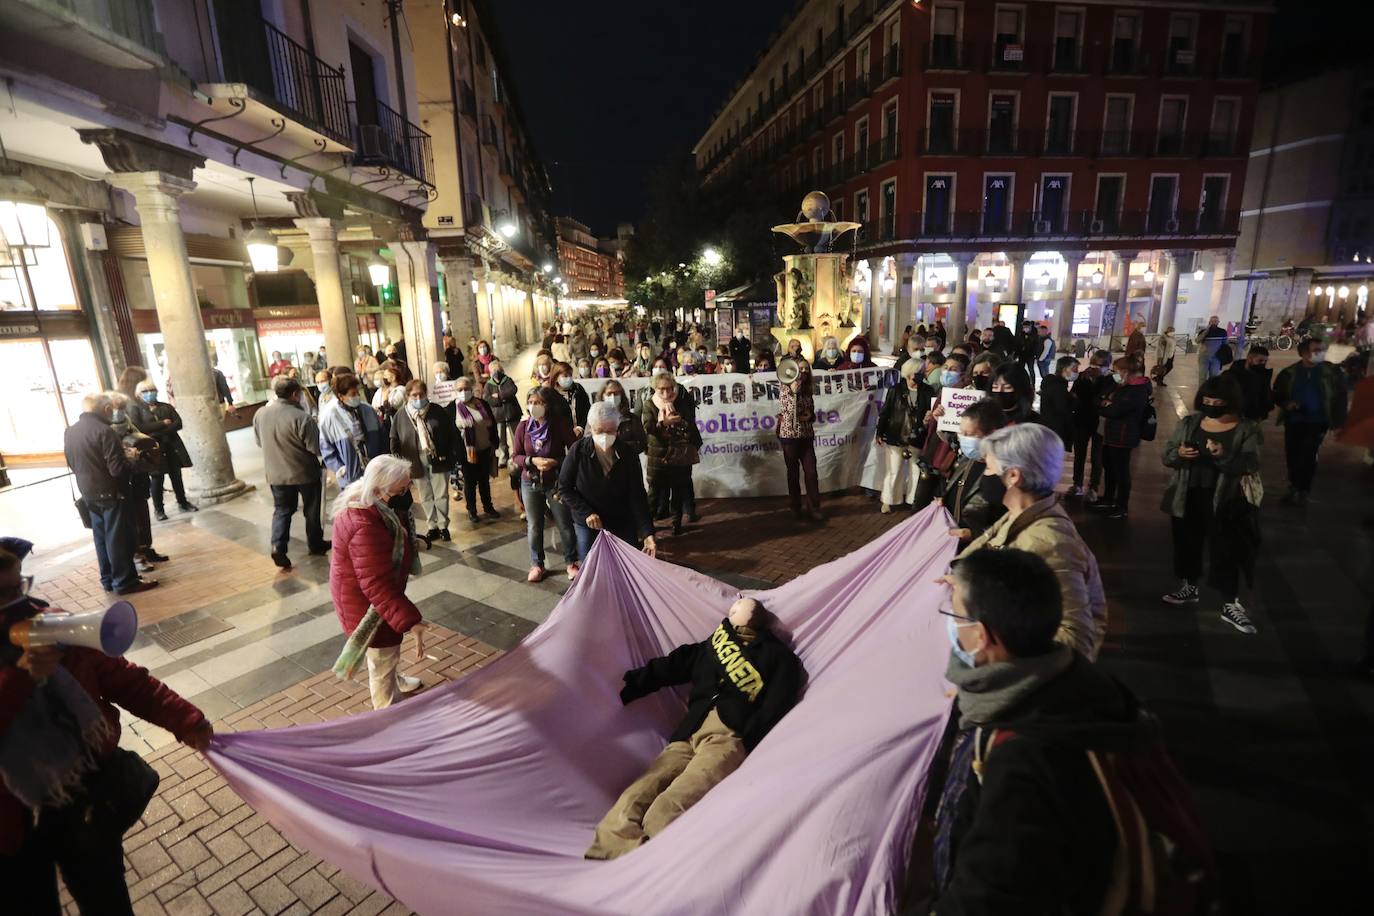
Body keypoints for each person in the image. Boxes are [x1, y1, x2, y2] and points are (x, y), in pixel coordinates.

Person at [930, 548, 1160, 916]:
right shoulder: (1078, 682)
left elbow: (989, 897)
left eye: (955, 613)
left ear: (983, 636)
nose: (951, 624)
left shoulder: (1020, 761)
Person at [0, 547, 212, 913]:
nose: (19, 602)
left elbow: (126, 680)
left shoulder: (52, 629)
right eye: (3, 596)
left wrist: (185, 719)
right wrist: (20, 678)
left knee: (107, 899)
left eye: (19, 584)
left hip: (83, 799)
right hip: (12, 823)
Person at [584, 597, 802, 860]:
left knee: (670, 806)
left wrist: (747, 739)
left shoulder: (779, 658)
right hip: (688, 731)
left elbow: (776, 706)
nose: (733, 608)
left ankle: (651, 865)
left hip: (727, 738)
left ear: (754, 616)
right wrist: (634, 683)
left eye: (738, 607)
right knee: (637, 793)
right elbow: (677, 664)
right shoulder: (714, 644)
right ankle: (621, 853)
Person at [957, 423, 1108, 659]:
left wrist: (1000, 657)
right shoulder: (1021, 513)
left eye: (988, 468)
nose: (985, 476)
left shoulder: (1049, 543)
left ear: (1013, 476)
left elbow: (1076, 639)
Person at [1160, 374, 1263, 635]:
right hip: (1188, 493)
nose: (1210, 405)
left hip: (1227, 500)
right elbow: (1168, 455)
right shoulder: (1190, 423)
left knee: (1227, 550)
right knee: (1187, 543)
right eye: (1206, 400)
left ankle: (1230, 603)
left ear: (1229, 402)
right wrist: (1179, 455)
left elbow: (1250, 464)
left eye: (1216, 401)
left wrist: (1223, 455)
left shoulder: (1247, 428)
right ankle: (1190, 586)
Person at [329, 455, 425, 710]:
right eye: (400, 490)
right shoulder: (364, 524)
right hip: (367, 608)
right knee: (382, 659)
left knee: (386, 656)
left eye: (408, 487)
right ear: (378, 489)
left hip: (367, 601)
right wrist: (410, 621)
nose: (406, 494)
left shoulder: (369, 505)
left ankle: (396, 679)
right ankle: (389, 714)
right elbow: (376, 584)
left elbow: (387, 546)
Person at [63, 393, 156, 595]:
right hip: (113, 492)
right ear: (106, 409)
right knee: (119, 537)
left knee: (102, 538)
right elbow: (117, 470)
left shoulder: (70, 431)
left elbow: (72, 463)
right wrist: (132, 458)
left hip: (88, 492)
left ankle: (108, 579)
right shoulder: (105, 431)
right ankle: (125, 581)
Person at [559, 401, 658, 561]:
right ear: (590, 428)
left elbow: (637, 494)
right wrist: (586, 512)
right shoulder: (578, 451)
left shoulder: (627, 454)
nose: (605, 436)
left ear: (617, 430)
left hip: (621, 520)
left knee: (627, 565)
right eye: (599, 431)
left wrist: (647, 532)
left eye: (610, 431)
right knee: (591, 567)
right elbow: (564, 488)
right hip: (588, 523)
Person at [253, 376, 329, 569]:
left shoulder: (260, 414)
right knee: (311, 509)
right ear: (295, 394)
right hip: (304, 472)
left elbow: (259, 442)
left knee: (282, 510)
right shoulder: (302, 417)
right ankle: (315, 542)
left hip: (275, 473)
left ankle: (278, 546)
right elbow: (315, 448)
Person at [511, 388, 580, 582]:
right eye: (531, 402)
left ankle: (571, 562)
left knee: (564, 523)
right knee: (534, 525)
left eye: (538, 403)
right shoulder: (523, 427)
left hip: (555, 481)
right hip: (530, 482)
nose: (534, 406)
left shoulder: (558, 425)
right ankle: (537, 564)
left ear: (547, 405)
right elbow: (516, 455)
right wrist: (532, 461)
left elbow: (574, 450)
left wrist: (556, 462)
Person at [1272, 337, 1347, 505]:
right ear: (1305, 354)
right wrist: (1286, 403)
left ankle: (1303, 489)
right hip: (1294, 420)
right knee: (1293, 454)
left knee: (1308, 453)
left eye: (1322, 350)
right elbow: (1277, 394)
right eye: (1316, 350)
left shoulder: (1331, 373)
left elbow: (1340, 398)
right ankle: (1293, 486)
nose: (1321, 353)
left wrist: (1338, 423)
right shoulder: (1289, 373)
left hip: (1318, 421)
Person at [391, 380, 459, 543]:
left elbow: (451, 434)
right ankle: (432, 526)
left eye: (421, 394)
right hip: (414, 460)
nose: (418, 397)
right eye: (414, 395)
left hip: (438, 458)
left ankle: (443, 526)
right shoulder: (401, 415)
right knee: (425, 495)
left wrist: (453, 455)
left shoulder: (437, 410)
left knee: (441, 493)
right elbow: (394, 440)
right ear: (408, 396)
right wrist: (399, 463)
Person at [641, 372, 702, 536]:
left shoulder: (681, 401)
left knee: (678, 491)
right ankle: (648, 527)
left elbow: (690, 422)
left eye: (669, 389)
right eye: (661, 389)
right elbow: (647, 427)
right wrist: (664, 423)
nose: (666, 393)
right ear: (655, 388)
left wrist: (681, 421)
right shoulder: (649, 404)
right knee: (653, 493)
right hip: (658, 456)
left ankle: (676, 524)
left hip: (679, 455)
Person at [942, 399, 1008, 549]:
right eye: (961, 433)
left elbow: (1009, 525)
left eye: (968, 434)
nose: (962, 438)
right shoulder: (967, 459)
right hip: (953, 546)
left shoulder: (1007, 475)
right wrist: (942, 501)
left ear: (992, 434)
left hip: (980, 554)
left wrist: (974, 535)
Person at [1094, 357, 1153, 519]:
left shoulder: (1137, 390)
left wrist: (1103, 406)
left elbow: (1115, 411)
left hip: (1123, 435)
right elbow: (1108, 402)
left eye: (1117, 371)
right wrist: (1106, 404)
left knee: (1121, 471)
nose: (1115, 374)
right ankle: (1108, 498)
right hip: (1112, 432)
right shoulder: (1125, 386)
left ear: (1126, 372)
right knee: (1110, 466)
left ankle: (1121, 506)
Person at [131, 379, 196, 520]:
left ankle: (183, 502)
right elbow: (140, 428)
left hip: (171, 445)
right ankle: (159, 510)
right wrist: (163, 423)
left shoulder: (165, 407)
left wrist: (158, 432)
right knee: (157, 479)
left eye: (152, 390)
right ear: (139, 394)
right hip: (153, 449)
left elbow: (178, 423)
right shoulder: (136, 409)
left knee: (176, 476)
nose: (150, 393)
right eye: (145, 391)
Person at [875, 358, 934, 513]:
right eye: (918, 372)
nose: (921, 374)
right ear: (909, 373)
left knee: (916, 470)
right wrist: (879, 432)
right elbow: (885, 412)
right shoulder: (895, 389)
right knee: (894, 469)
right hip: (896, 435)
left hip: (918, 436)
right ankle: (889, 500)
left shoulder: (928, 391)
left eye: (923, 371)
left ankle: (913, 500)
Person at [776, 344, 823, 521]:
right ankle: (795, 506)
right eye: (800, 369)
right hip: (789, 437)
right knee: (793, 473)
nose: (803, 372)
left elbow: (811, 412)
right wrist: (793, 394)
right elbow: (787, 411)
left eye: (806, 369)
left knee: (811, 472)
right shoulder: (785, 387)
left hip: (806, 435)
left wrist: (810, 416)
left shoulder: (808, 388)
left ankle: (814, 506)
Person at [319, 373, 387, 488]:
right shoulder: (329, 416)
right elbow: (326, 449)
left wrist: (383, 461)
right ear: (341, 396)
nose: (357, 397)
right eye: (352, 394)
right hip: (350, 478)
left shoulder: (368, 410)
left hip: (375, 473)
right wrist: (339, 468)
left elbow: (383, 437)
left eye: (357, 393)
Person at [451, 376, 500, 524]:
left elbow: (492, 424)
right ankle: (472, 510)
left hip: (485, 449)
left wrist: (494, 443)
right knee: (470, 484)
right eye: (460, 389)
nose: (464, 391)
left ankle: (488, 506)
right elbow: (452, 434)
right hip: (467, 454)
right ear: (455, 392)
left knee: (484, 481)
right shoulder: (452, 408)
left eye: (466, 388)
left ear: (471, 389)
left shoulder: (482, 404)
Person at [1069, 349, 1112, 500]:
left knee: (1097, 456)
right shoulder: (1083, 376)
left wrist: (1099, 382)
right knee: (1079, 454)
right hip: (1082, 419)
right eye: (1093, 364)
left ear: (1107, 365)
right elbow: (1074, 394)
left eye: (1099, 365)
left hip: (1100, 421)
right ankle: (1077, 484)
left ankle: (1093, 488)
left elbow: (1109, 398)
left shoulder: (1111, 379)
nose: (1095, 368)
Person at [482, 358, 521, 466]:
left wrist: (499, 396)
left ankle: (517, 455)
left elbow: (512, 390)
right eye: (493, 371)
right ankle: (503, 457)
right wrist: (499, 400)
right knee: (501, 438)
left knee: (516, 436)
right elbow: (487, 398)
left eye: (498, 370)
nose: (496, 373)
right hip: (498, 416)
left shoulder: (507, 380)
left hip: (512, 413)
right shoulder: (488, 385)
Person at [597, 380, 647, 454]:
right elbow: (589, 441)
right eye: (609, 394)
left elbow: (642, 443)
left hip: (627, 462)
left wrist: (621, 447)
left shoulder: (632, 419)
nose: (613, 397)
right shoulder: (595, 418)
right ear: (603, 396)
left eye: (616, 393)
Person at [1226, 344, 1273, 421]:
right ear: (1250, 359)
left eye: (1265, 361)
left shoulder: (1263, 374)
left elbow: (1265, 393)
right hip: (1235, 414)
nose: (1263, 363)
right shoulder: (1232, 375)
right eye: (1260, 360)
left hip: (1254, 415)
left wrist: (1264, 412)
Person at [1038, 356, 1077, 445]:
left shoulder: (1053, 383)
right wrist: (1074, 400)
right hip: (1056, 431)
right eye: (1074, 370)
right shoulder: (1058, 388)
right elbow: (1062, 410)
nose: (1076, 372)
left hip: (1049, 429)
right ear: (1065, 369)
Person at [554, 361, 591, 430]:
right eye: (565, 376)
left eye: (570, 375)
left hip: (581, 432)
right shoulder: (552, 394)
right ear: (556, 377)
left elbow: (587, 410)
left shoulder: (578, 389)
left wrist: (580, 428)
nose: (568, 378)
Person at [1195, 315, 1229, 380]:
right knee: (1202, 376)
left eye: (1215, 321)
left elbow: (1225, 344)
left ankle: (1211, 390)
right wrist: (1206, 330)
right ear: (1209, 322)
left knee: (1214, 377)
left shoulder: (1222, 332)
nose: (1213, 323)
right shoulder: (1203, 331)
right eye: (1212, 321)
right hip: (1204, 358)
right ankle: (1202, 389)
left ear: (1218, 322)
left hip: (1216, 358)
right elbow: (1197, 340)